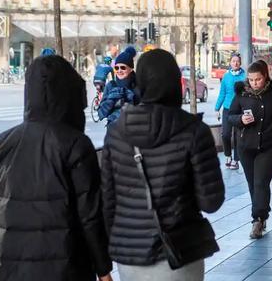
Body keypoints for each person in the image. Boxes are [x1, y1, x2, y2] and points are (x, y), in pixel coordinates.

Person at [0, 55, 112, 281]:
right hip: (62, 266)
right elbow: (89, 216)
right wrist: (103, 268)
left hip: (3, 266)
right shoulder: (75, 145)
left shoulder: (3, 143)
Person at [101, 49, 224, 280]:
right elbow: (211, 201)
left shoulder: (116, 133)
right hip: (180, 251)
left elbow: (108, 201)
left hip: (130, 254)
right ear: (175, 83)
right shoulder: (194, 131)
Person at [229, 61, 272, 238]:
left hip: (270, 145)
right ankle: (262, 213)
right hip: (246, 145)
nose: (254, 83)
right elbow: (230, 116)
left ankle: (257, 219)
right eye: (251, 80)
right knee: (253, 183)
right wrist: (240, 120)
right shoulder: (241, 93)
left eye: (258, 79)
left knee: (261, 181)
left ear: (265, 77)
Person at [215, 53, 246, 170]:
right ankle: (228, 155)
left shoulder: (244, 76)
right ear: (230, 63)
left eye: (237, 61)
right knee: (226, 134)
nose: (235, 63)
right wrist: (217, 108)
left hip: (239, 109)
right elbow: (222, 93)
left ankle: (236, 160)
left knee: (238, 135)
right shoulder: (226, 77)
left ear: (240, 63)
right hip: (227, 109)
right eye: (233, 61)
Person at [98, 46, 138, 125]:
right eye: (117, 68)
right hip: (114, 133)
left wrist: (131, 98)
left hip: (134, 131)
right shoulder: (111, 85)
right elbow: (101, 114)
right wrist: (111, 100)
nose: (119, 70)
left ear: (131, 68)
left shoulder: (138, 85)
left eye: (123, 67)